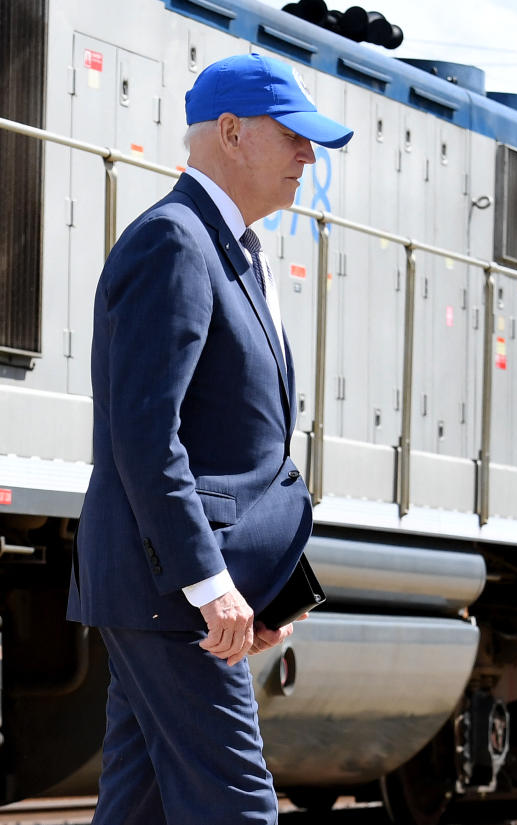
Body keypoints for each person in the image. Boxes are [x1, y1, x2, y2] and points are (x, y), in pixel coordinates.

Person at [66, 53, 353, 824]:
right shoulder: (175, 242)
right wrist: (208, 583)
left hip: (169, 592)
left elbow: (234, 447)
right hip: (173, 594)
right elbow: (144, 433)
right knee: (237, 809)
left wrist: (257, 585)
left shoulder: (232, 251)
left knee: (142, 808)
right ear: (231, 132)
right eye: (293, 135)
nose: (308, 156)